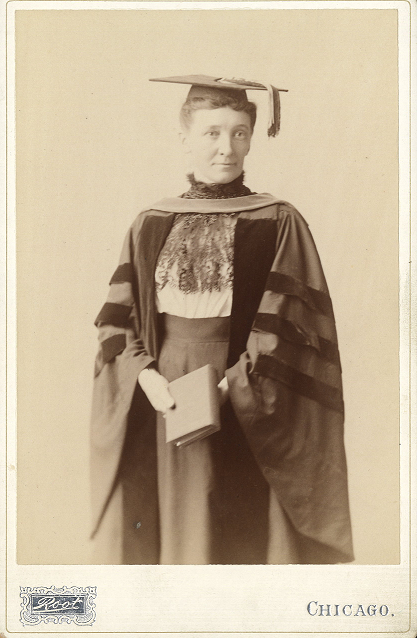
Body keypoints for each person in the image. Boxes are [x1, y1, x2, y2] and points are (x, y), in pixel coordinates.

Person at [90, 75, 354, 565]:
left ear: (252, 138)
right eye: (212, 133)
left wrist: (233, 386)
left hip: (247, 393)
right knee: (178, 529)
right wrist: (145, 376)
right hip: (165, 394)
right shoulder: (150, 220)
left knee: (238, 533)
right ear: (185, 139)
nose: (226, 149)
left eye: (238, 133)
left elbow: (287, 323)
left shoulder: (278, 220)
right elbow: (117, 320)